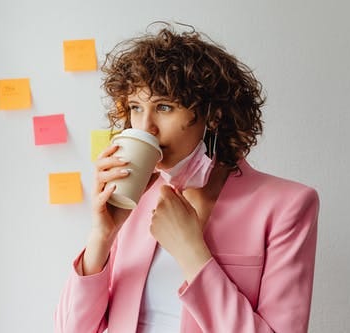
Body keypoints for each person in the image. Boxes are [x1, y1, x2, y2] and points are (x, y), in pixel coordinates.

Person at [55, 22, 319, 333]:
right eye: (136, 108)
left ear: (214, 114)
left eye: (164, 107)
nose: (145, 127)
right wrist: (102, 236)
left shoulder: (287, 205)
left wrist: (192, 253)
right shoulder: (134, 198)